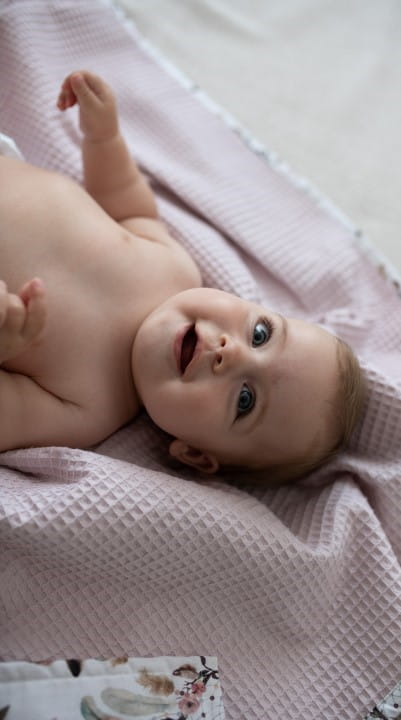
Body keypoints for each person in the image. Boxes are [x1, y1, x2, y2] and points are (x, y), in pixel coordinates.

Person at [0, 70, 365, 483]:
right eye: (261, 334)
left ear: (194, 453)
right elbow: (126, 203)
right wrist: (103, 137)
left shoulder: (86, 409)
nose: (232, 353)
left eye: (245, 400)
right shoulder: (176, 270)